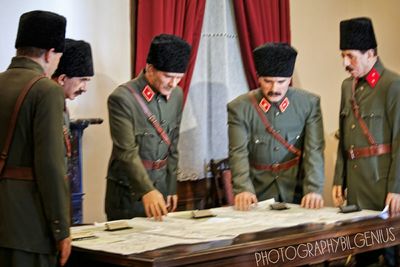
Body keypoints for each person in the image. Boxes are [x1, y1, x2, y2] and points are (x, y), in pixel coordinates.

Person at [0, 10, 71, 267]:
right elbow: (50, 166)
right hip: (30, 229)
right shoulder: (46, 90)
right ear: (50, 53)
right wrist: (61, 229)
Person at [332, 17, 400, 267]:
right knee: (362, 256)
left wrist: (397, 187)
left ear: (370, 53)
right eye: (342, 56)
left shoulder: (393, 85)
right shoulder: (346, 87)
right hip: (357, 191)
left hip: (384, 189)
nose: (344, 63)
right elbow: (344, 136)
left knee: (390, 256)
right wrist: (339, 178)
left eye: (350, 56)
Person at [228, 42, 325, 211]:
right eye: (268, 81)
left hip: (297, 191)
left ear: (290, 79)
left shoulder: (308, 104)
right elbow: (238, 152)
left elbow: (314, 149)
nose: (275, 88)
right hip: (257, 194)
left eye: (281, 81)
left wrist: (314, 189)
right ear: (258, 78)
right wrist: (243, 188)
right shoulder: (240, 107)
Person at [105, 34, 191, 221]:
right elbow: (126, 152)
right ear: (150, 69)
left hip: (160, 192)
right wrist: (147, 190)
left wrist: (170, 187)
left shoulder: (177, 94)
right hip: (128, 195)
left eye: (179, 77)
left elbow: (173, 144)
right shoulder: (122, 98)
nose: (173, 84)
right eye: (168, 76)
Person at [52, 38, 94, 162]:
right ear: (62, 79)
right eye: (82, 80)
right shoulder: (47, 106)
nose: (85, 89)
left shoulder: (61, 107)